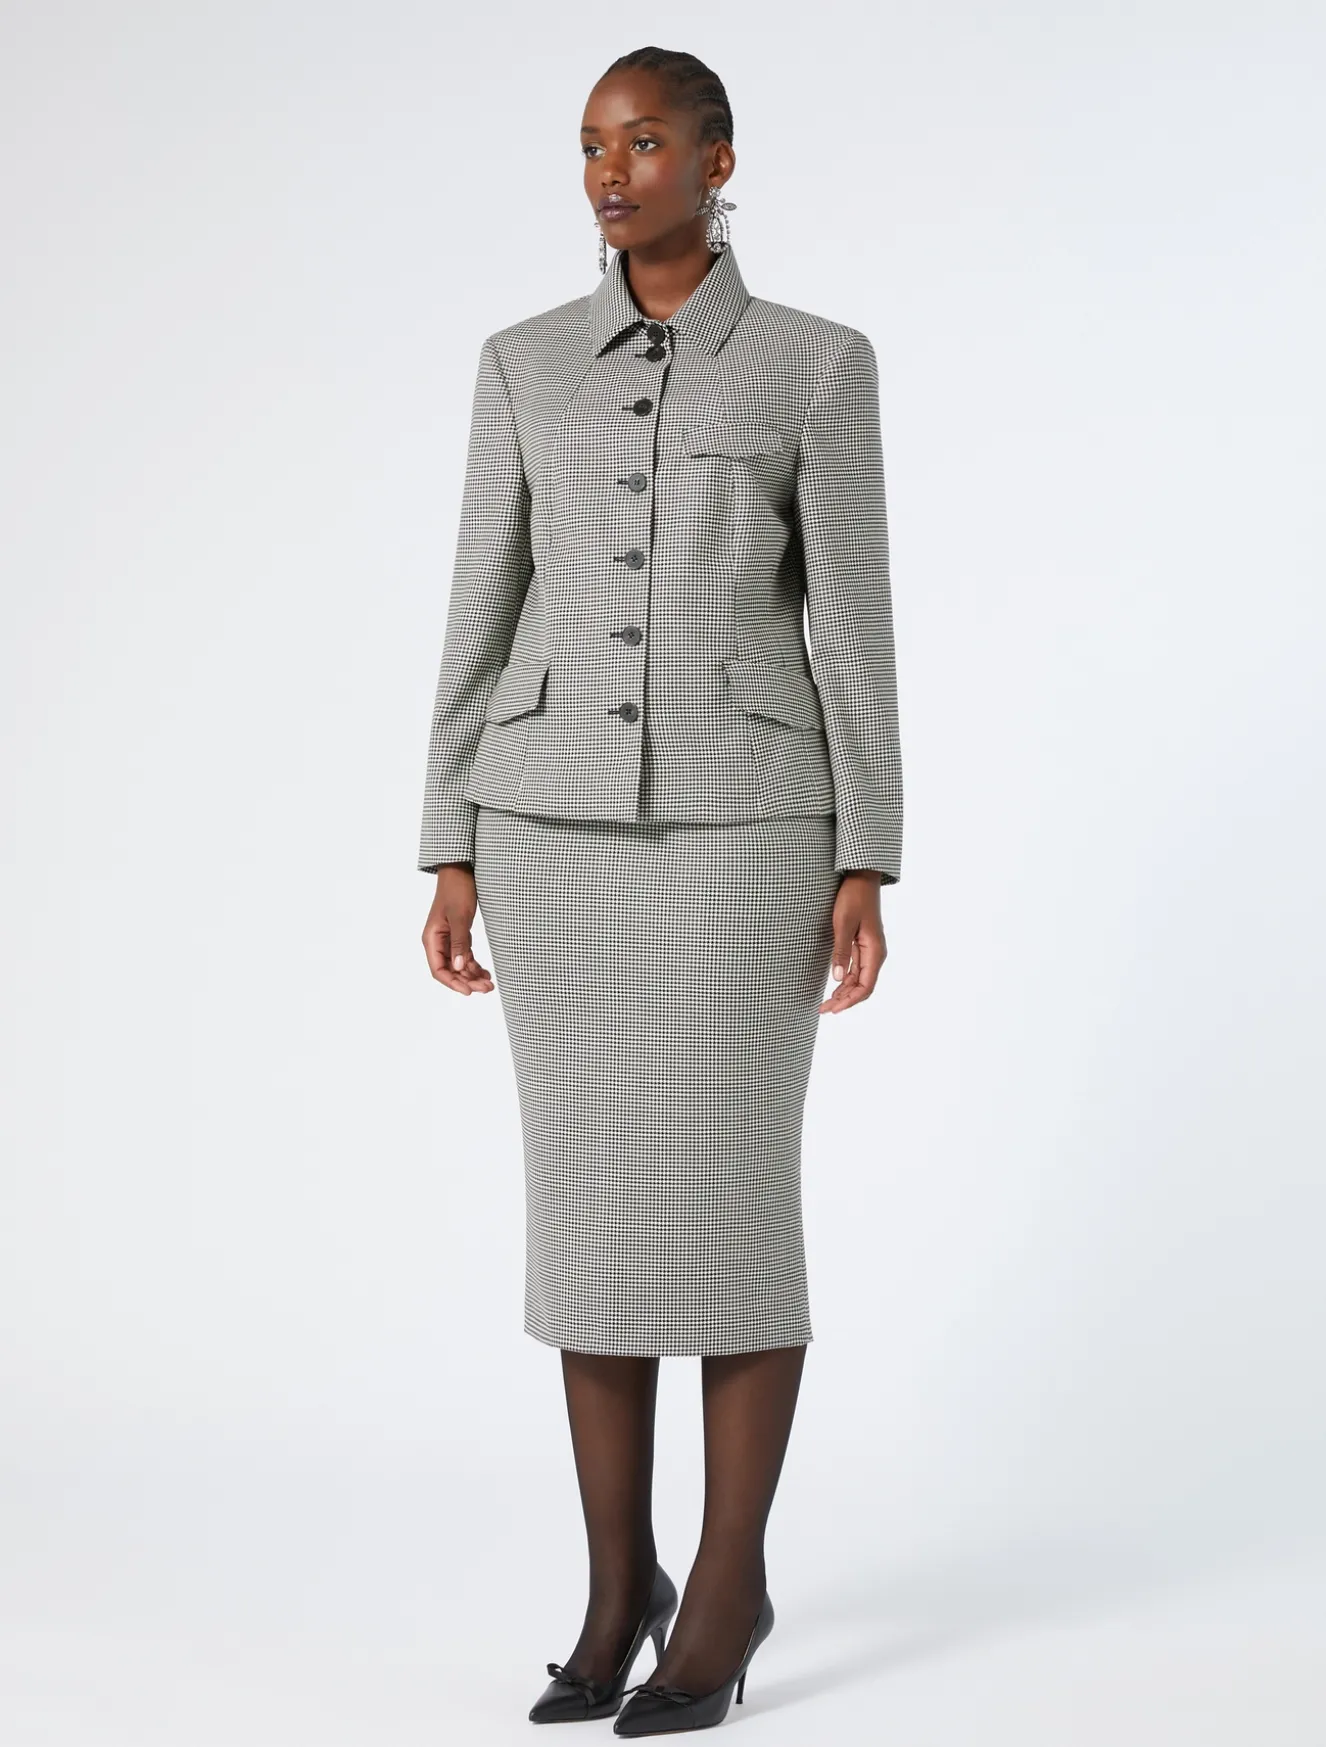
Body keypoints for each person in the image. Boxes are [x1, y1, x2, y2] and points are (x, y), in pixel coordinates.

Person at [416, 46, 902, 1736]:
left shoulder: (815, 365)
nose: (610, 173)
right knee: (597, 1218)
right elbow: (480, 603)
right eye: (588, 147)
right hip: (547, 827)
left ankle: (727, 1580)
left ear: (716, 158)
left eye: (641, 142)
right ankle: (615, 1585)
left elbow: (850, 622)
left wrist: (864, 849)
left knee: (731, 1210)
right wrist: (448, 836)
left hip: (748, 831)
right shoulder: (523, 363)